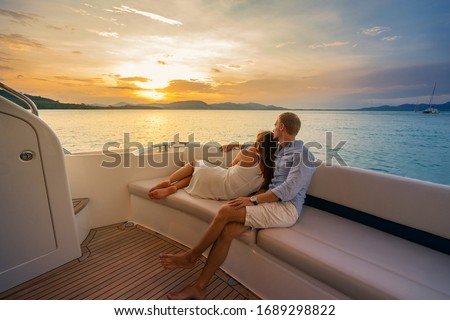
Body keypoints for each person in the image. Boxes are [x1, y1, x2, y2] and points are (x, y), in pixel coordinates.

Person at [159, 112, 317, 300]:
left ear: (281, 127)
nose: (273, 128)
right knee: (227, 232)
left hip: (286, 209)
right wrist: (235, 145)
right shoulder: (281, 149)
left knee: (226, 210)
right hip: (272, 204)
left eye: (275, 125)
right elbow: (257, 146)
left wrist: (253, 200)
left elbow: (288, 191)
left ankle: (191, 257)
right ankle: (200, 287)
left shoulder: (303, 155)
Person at [148, 131, 276, 201]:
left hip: (221, 181)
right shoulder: (272, 170)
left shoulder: (248, 154)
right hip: (229, 194)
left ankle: (169, 181)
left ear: (257, 145)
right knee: (197, 174)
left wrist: (236, 146)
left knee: (194, 163)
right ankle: (173, 188)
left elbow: (231, 166)